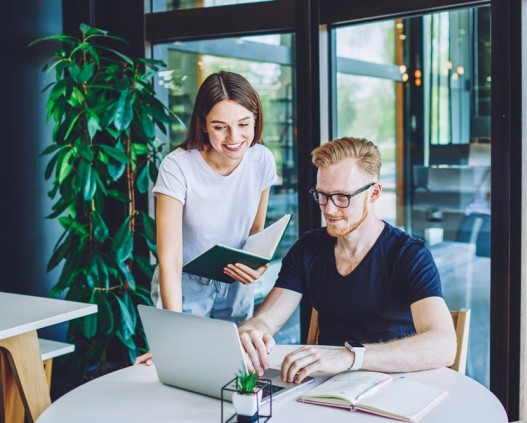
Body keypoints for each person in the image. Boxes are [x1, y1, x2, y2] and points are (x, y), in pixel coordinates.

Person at [237, 137, 457, 384]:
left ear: (373, 193)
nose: (329, 209)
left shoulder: (409, 255)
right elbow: (267, 320)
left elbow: (443, 345)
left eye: (342, 197)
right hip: (329, 388)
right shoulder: (308, 249)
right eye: (322, 195)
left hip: (398, 386)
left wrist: (351, 357)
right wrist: (252, 331)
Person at [135, 71, 275, 365]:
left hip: (235, 280)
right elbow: (169, 257)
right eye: (220, 126)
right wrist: (173, 334)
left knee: (236, 369)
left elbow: (255, 230)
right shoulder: (178, 166)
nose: (234, 137)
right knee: (186, 366)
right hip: (184, 284)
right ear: (203, 124)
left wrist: (256, 268)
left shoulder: (261, 159)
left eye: (243, 124)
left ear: (256, 119)